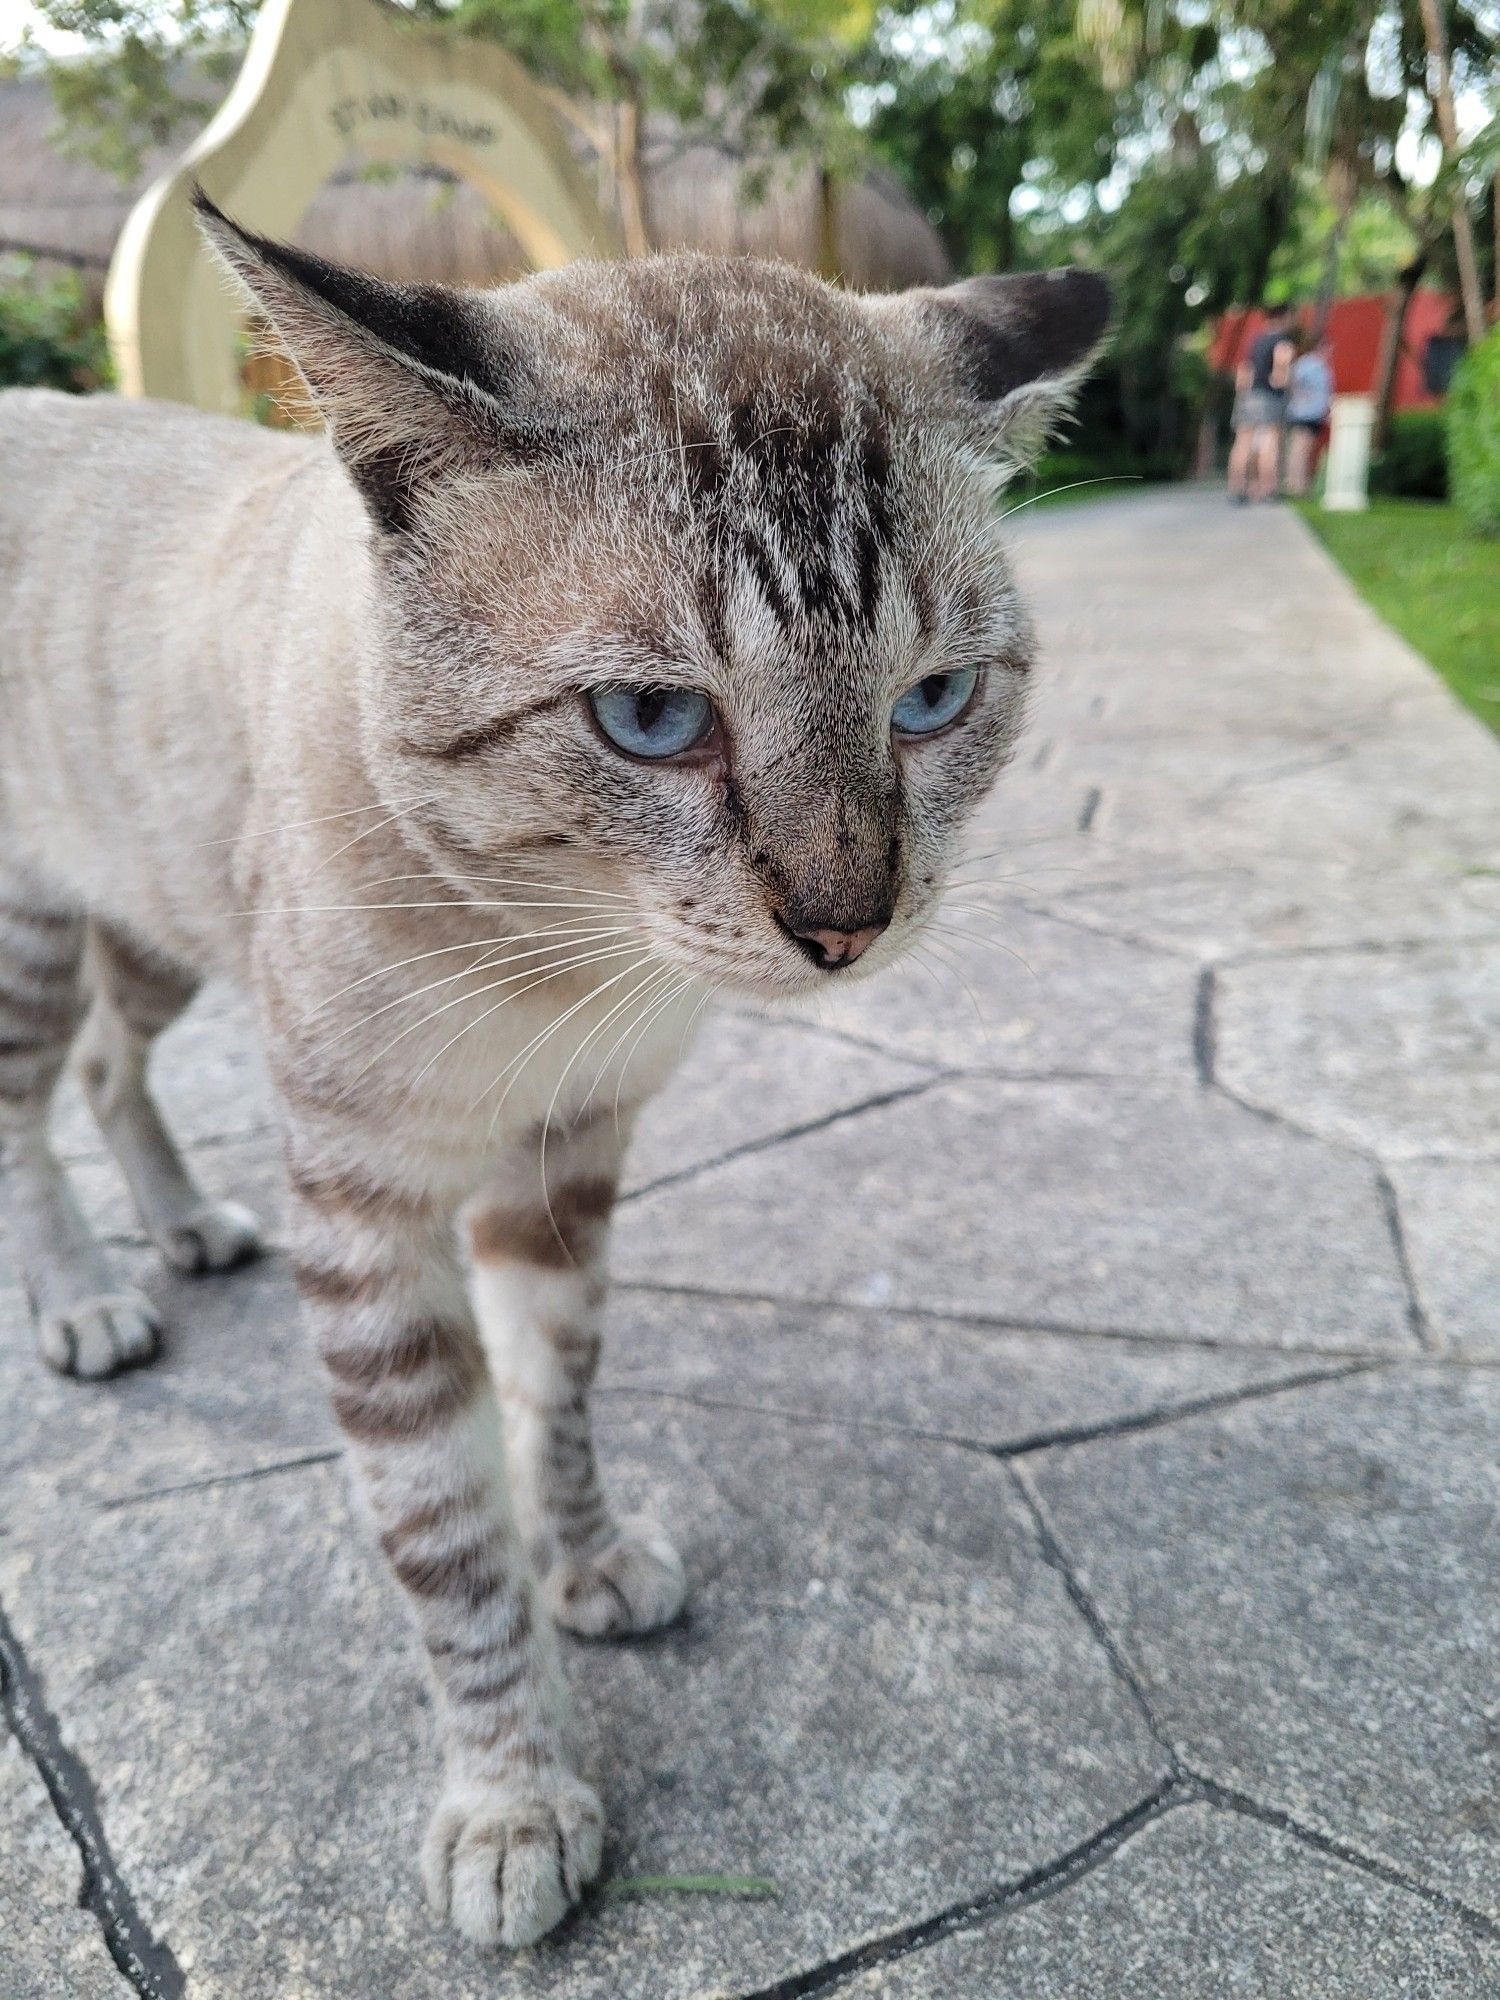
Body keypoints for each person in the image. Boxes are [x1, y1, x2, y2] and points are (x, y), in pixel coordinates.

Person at [1228, 302, 1296, 503]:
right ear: (1285, 317)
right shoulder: (1282, 342)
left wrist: (1243, 396)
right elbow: (1280, 373)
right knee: (1270, 442)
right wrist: (1287, 384)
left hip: (1248, 397)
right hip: (1269, 396)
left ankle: (1237, 489)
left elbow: (1244, 372)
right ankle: (1268, 490)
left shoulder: (1255, 341)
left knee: (1242, 443)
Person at [1285, 335, 1335, 497]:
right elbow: (1293, 382)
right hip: (1305, 412)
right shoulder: (1308, 364)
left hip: (1314, 412)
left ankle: (1299, 482)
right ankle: (1296, 484)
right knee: (1300, 448)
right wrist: (1302, 396)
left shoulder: (1320, 365)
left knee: (1304, 449)